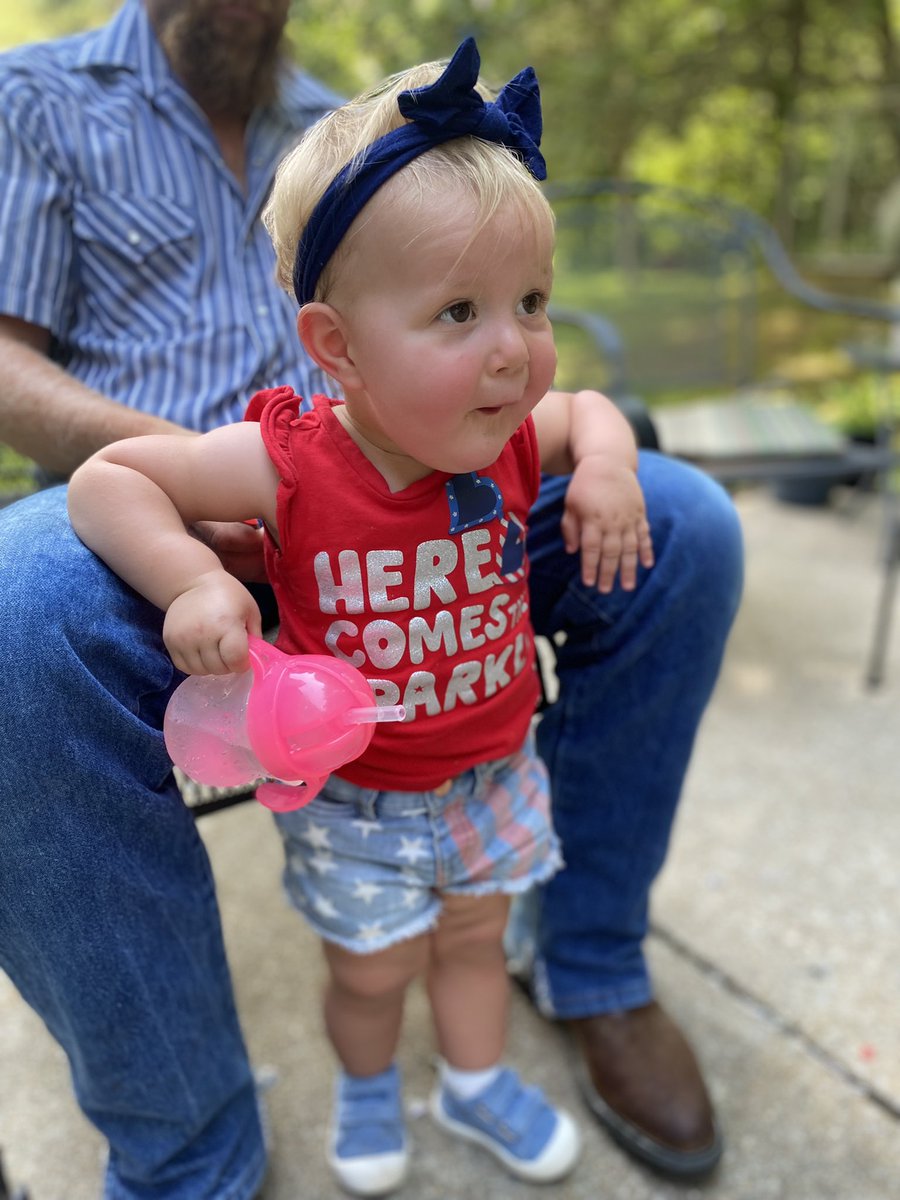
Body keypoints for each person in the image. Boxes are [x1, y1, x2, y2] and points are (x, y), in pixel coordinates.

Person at [0, 2, 743, 1197]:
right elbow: (104, 476)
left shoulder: (363, 126)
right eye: (467, 313)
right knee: (13, 620)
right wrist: (195, 570)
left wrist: (600, 459)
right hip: (253, 538)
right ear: (332, 346)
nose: (516, 345)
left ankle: (569, 983)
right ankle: (196, 1134)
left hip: (477, 742)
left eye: (535, 308)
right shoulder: (36, 100)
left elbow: (573, 404)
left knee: (687, 522)